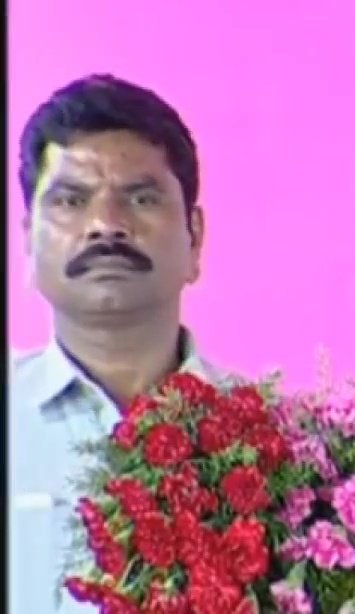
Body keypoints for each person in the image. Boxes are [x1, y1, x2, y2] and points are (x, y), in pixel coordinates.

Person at [9, 74, 217, 613]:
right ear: (28, 241)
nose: (106, 224)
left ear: (194, 237)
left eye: (141, 198)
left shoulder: (286, 439)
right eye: (72, 201)